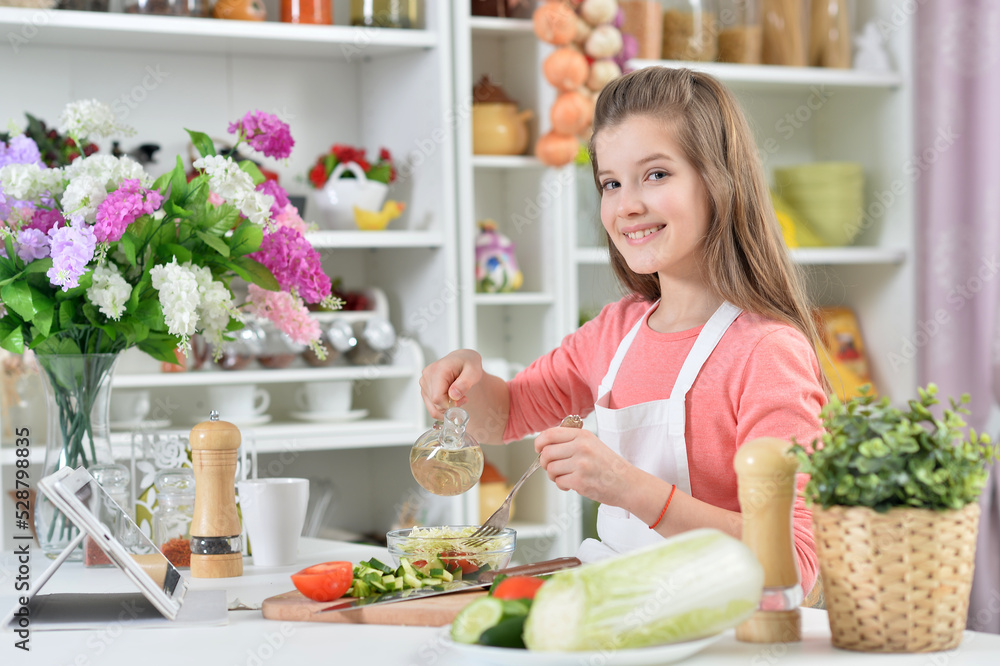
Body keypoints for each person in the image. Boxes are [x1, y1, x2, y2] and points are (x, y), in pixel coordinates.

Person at [419, 67, 826, 595]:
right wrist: (463, 381)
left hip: (721, 636)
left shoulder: (766, 352)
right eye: (610, 183)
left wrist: (628, 487)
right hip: (617, 612)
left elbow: (793, 560)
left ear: (720, 181)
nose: (627, 204)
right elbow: (507, 415)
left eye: (656, 174)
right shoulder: (615, 332)